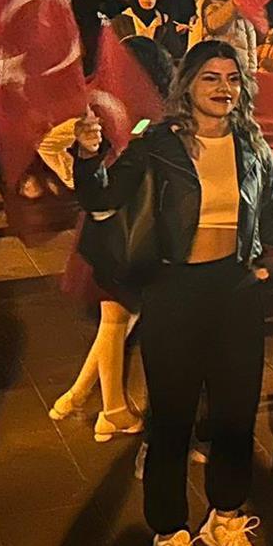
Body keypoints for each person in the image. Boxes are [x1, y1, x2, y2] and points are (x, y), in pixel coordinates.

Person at [72, 40, 273, 546]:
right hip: (174, 289)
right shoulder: (158, 145)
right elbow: (102, 203)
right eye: (210, 78)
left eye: (232, 79)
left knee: (235, 416)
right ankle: (168, 535)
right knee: (171, 421)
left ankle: (225, 518)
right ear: (187, 87)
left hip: (236, 291)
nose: (223, 88)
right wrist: (87, 155)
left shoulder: (252, 145)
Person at [48, 37, 174, 442]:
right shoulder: (136, 108)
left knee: (116, 318)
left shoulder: (102, 97)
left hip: (110, 222)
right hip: (123, 223)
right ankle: (112, 409)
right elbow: (56, 141)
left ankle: (77, 397)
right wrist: (82, 167)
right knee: (117, 317)